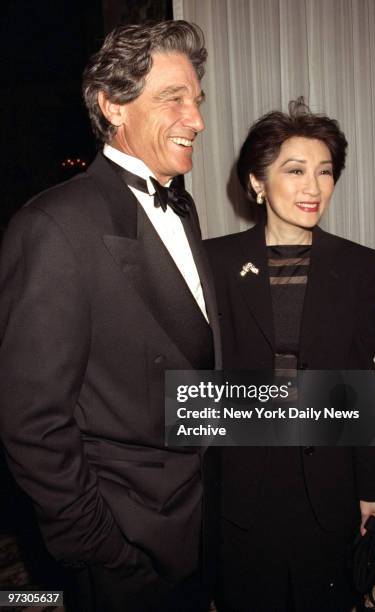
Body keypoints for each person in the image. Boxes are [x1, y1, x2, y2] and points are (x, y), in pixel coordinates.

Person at [0, 20, 221, 612]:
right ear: (112, 105)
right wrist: (103, 548)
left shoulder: (184, 205)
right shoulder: (53, 226)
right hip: (126, 548)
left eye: (197, 101)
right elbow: (32, 425)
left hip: (201, 526)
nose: (196, 119)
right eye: (174, 99)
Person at [205, 98, 375, 612]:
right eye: (295, 170)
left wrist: (371, 489)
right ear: (257, 182)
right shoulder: (213, 261)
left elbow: (359, 381)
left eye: (325, 171)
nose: (314, 187)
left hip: (327, 484)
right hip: (241, 486)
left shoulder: (358, 266)